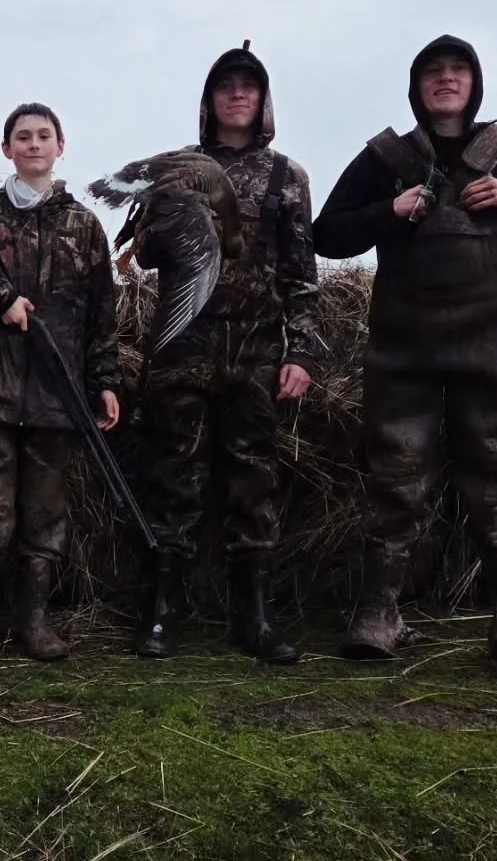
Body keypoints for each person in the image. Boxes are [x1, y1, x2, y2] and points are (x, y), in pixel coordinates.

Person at [312, 34, 497, 677]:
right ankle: (380, 615)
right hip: (403, 351)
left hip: (488, 351)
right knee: (396, 482)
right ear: (417, 85)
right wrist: (389, 210)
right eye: (434, 71)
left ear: (474, 83)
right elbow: (325, 234)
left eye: (458, 70)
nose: (447, 79)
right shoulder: (386, 157)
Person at [131, 41, 320, 664]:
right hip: (183, 344)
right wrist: (161, 222)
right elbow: (152, 258)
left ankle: (255, 620)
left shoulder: (286, 176)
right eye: (226, 85)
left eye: (249, 85)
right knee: (173, 478)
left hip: (255, 352)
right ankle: (161, 613)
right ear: (209, 101)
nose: (237, 93)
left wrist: (303, 353)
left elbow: (301, 274)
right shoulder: (180, 167)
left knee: (253, 483)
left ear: (263, 100)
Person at [0, 102, 122, 664]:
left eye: (44, 136)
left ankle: (35, 623)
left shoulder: (84, 224)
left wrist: (105, 380)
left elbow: (101, 316)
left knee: (44, 513)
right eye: (22, 136)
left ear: (61, 146)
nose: (33, 144)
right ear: (6, 148)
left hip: (57, 394)